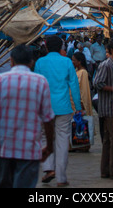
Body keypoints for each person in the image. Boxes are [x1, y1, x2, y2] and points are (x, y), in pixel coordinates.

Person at [0, 44, 55, 189]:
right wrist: (49, 146)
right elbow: (48, 119)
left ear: (11, 61)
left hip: (3, 146)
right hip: (29, 148)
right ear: (32, 62)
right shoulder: (40, 82)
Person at [35, 35, 82, 187]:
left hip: (44, 107)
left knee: (44, 137)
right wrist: (78, 108)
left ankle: (49, 168)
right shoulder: (67, 61)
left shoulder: (40, 62)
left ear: (46, 46)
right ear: (62, 47)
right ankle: (61, 177)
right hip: (63, 107)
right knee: (62, 141)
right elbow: (74, 85)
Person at [93, 37, 113, 180]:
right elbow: (98, 83)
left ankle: (105, 170)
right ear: (112, 50)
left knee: (108, 140)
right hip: (108, 107)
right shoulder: (106, 65)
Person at [72, 52, 93, 117]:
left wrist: (82, 104)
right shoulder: (76, 71)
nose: (72, 62)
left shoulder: (83, 72)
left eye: (73, 60)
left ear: (79, 61)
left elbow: (84, 90)